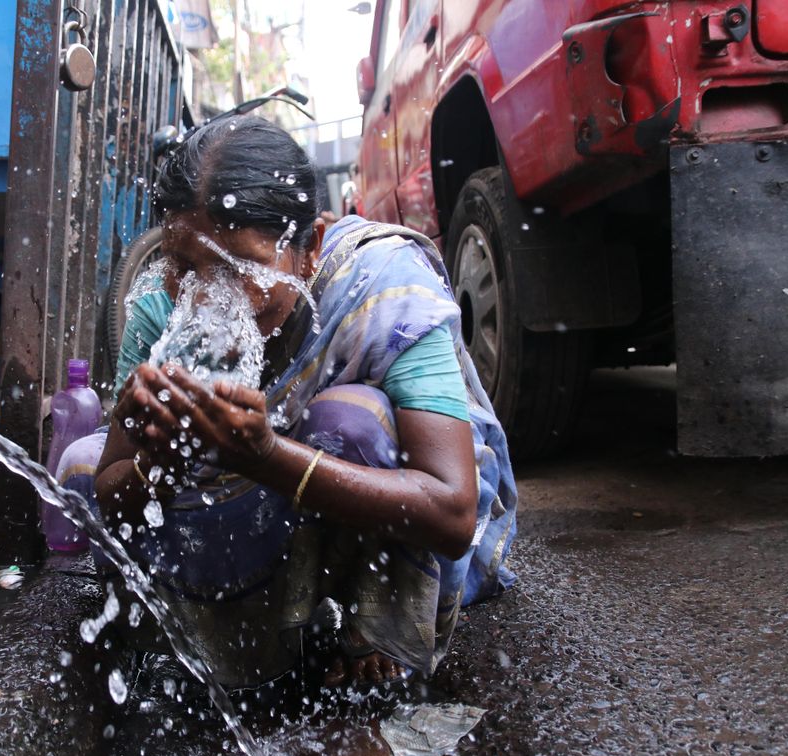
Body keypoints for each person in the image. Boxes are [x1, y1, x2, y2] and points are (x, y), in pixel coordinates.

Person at [55, 116, 517, 689]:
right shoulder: (158, 309)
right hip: (250, 537)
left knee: (349, 419)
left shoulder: (377, 283)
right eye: (187, 267)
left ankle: (364, 629)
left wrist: (265, 456)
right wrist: (156, 462)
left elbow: (451, 512)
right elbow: (115, 501)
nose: (211, 297)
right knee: (77, 462)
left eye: (245, 270)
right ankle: (235, 644)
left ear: (311, 248)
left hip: (364, 527)